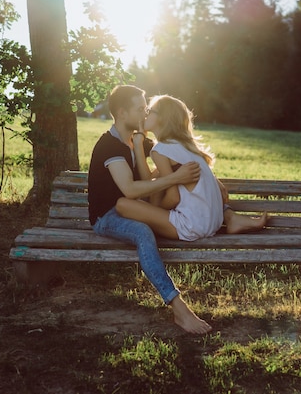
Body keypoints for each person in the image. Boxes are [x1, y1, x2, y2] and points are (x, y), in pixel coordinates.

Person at [88, 85, 211, 334]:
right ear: (122, 113)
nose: (145, 113)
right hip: (109, 216)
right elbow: (130, 190)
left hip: (137, 208)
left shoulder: (141, 142)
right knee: (143, 232)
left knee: (157, 222)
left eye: (147, 108)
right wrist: (173, 180)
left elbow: (163, 172)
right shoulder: (109, 146)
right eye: (140, 108)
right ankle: (178, 308)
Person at [115, 94, 267, 242]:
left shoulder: (161, 149)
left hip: (192, 225)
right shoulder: (186, 146)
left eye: (150, 111)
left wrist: (155, 209)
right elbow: (152, 181)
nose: (145, 115)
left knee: (123, 205)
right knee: (156, 186)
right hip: (212, 223)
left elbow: (172, 196)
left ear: (163, 118)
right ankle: (232, 219)